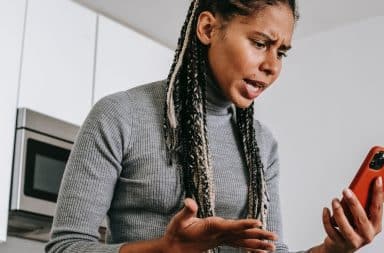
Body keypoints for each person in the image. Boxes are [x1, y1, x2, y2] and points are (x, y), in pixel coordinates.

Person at [45, 0, 383, 252]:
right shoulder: (120, 115)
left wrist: (332, 250)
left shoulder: (262, 144)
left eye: (282, 53)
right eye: (260, 43)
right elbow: (66, 247)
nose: (271, 66)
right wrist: (166, 249)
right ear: (207, 29)